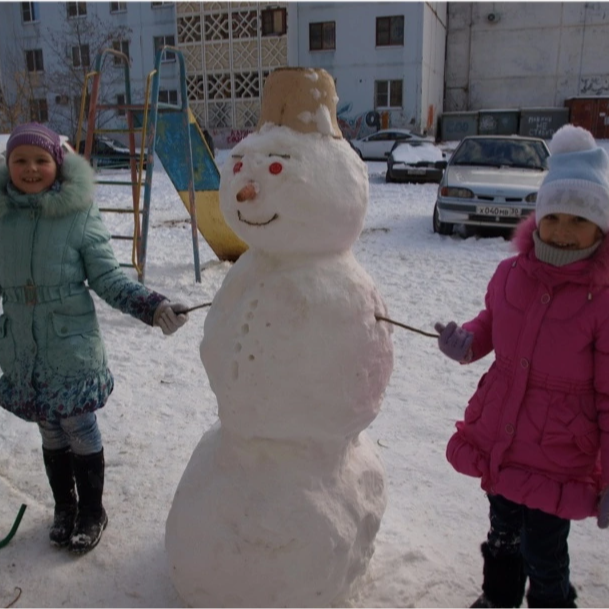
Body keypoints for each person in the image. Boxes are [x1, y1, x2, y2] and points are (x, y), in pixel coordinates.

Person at [435, 124, 609, 609]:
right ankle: (498, 598)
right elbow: (493, 323)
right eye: (554, 217)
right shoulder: (510, 273)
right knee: (503, 532)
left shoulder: (604, 300)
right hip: (503, 437)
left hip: (558, 454)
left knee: (545, 551)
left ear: (601, 226)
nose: (563, 231)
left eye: (579, 220)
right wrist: (466, 342)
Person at [0, 123, 189, 554]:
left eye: (41, 160)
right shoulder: (2, 217)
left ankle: (92, 511)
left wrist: (152, 306)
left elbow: (107, 277)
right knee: (49, 428)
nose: (31, 169)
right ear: (8, 165)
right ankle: (64, 507)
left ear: (57, 164)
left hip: (70, 344)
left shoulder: (78, 213)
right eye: (21, 160)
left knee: (78, 426)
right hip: (22, 348)